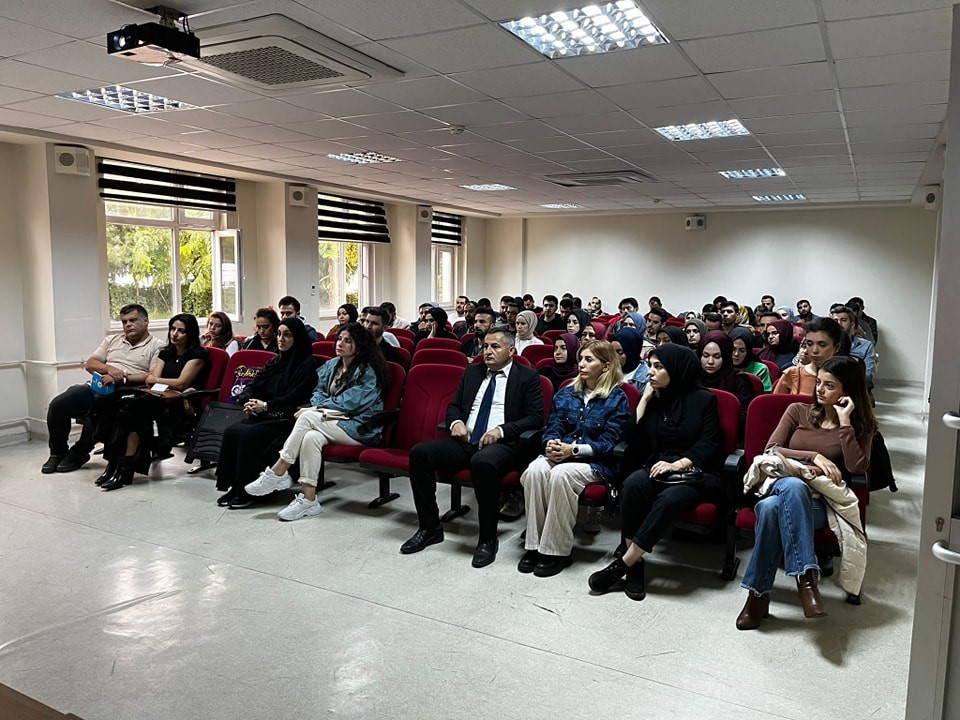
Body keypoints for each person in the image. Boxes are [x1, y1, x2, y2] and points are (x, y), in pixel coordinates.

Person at [736, 356, 876, 630]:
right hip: (782, 482)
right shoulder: (798, 411)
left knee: (769, 510)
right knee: (792, 485)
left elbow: (856, 467)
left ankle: (757, 596)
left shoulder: (861, 425)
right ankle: (806, 579)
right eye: (820, 383)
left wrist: (846, 423)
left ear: (848, 391)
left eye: (830, 386)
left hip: (821, 503)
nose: (820, 390)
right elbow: (771, 450)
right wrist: (814, 456)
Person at [399, 327, 544, 568]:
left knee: (483, 463)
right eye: (485, 346)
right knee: (420, 454)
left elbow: (535, 418)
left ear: (511, 351)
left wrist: (501, 430)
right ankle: (430, 527)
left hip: (504, 444)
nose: (487, 351)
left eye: (495, 347)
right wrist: (456, 423)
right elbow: (454, 405)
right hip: (466, 440)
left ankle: (487, 538)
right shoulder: (473, 372)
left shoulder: (527, 377)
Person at [588, 344, 723, 601]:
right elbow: (633, 439)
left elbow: (709, 444)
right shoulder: (655, 398)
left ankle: (623, 564)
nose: (651, 372)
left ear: (677, 369)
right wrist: (644, 401)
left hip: (693, 471)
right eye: (650, 365)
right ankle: (635, 564)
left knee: (671, 497)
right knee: (634, 484)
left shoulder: (705, 400)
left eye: (659, 367)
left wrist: (677, 464)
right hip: (656, 467)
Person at [244, 323, 388, 521]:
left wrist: (316, 409)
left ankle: (278, 471)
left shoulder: (368, 371)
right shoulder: (332, 365)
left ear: (360, 346)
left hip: (361, 426)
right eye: (339, 339)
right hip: (332, 420)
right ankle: (308, 499)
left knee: (307, 416)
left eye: (348, 341)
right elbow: (317, 391)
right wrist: (318, 407)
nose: (340, 344)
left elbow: (352, 402)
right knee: (311, 437)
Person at [518, 341, 630, 577]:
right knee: (535, 470)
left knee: (561, 474)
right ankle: (534, 546)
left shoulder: (617, 398)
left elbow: (610, 443)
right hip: (564, 453)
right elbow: (554, 425)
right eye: (581, 359)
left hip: (597, 463)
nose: (581, 364)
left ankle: (557, 550)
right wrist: (551, 443)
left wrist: (574, 450)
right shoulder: (568, 391)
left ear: (606, 366)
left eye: (589, 360)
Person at [42, 303, 163, 474]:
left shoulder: (157, 345)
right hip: (98, 385)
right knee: (59, 404)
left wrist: (124, 376)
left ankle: (79, 452)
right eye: (124, 321)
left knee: (100, 409)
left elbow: (151, 375)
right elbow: (90, 364)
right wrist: (110, 370)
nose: (128, 325)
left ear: (146, 321)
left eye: (133, 320)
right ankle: (58, 452)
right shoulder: (112, 340)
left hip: (125, 392)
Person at [215, 317, 319, 508]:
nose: (281, 339)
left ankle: (249, 491)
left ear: (297, 338)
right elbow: (254, 385)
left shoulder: (306, 365)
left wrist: (266, 406)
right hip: (265, 414)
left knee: (248, 435)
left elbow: (295, 397)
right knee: (232, 431)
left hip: (287, 419)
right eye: (279, 334)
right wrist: (248, 401)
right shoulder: (275, 361)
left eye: (287, 335)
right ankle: (236, 486)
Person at [99, 314, 209, 491]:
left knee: (129, 412)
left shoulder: (198, 355)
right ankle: (119, 467)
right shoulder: (166, 352)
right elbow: (150, 379)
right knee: (124, 412)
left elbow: (181, 383)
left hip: (180, 403)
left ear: (190, 333)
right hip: (157, 398)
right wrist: (160, 380)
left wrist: (159, 380)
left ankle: (119, 467)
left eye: (181, 331)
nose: (175, 334)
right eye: (173, 329)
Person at [698, 330, 757, 436]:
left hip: (730, 437)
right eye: (705, 355)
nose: (710, 362)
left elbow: (744, 418)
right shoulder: (694, 377)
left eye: (717, 357)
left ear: (725, 356)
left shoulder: (739, 380)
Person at [774, 318, 843, 395]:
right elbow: (776, 405)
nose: (814, 350)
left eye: (822, 345)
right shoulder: (792, 374)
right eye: (809, 344)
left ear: (837, 347)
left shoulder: (846, 378)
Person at [832, 306, 876, 387]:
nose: (839, 323)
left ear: (852, 324)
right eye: (835, 320)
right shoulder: (827, 344)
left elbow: (868, 376)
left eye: (843, 320)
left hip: (857, 386)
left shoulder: (866, 345)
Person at [729, 327, 773, 392]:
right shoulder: (720, 365)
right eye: (733, 349)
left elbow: (765, 396)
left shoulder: (760, 369)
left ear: (748, 351)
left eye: (742, 351)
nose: (736, 354)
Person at [612, 328, 649, 394]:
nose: (613, 356)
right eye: (611, 351)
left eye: (619, 352)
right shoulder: (607, 369)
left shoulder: (646, 378)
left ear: (631, 352)